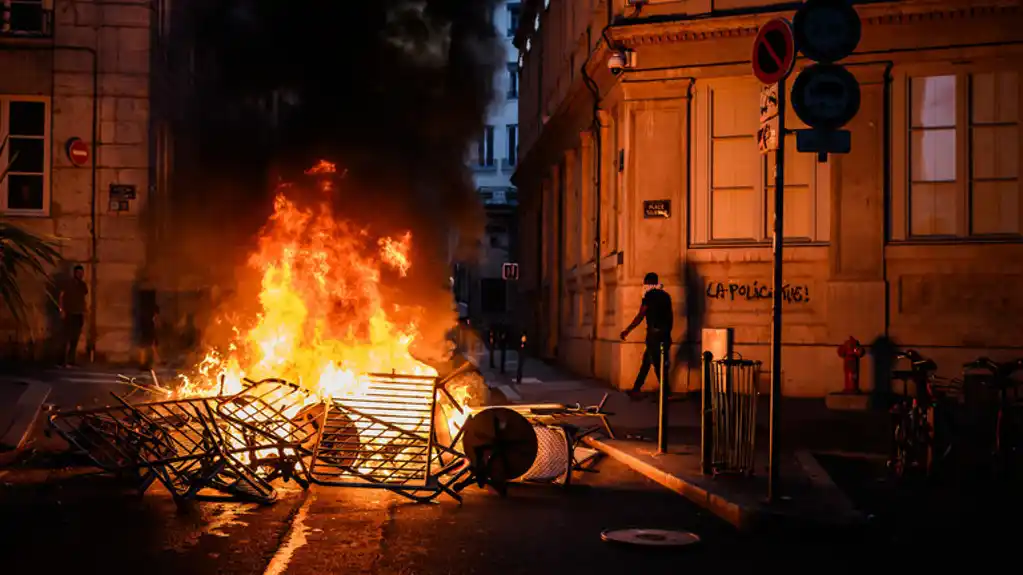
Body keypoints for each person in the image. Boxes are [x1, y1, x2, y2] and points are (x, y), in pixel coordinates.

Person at [620, 272, 673, 400]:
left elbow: (640, 315)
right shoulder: (666, 296)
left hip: (653, 335)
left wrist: (627, 330)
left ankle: (665, 393)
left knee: (656, 364)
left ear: (648, 283)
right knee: (647, 362)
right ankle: (636, 389)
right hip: (664, 334)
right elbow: (670, 316)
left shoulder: (648, 296)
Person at [58, 265, 88, 367]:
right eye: (78, 273)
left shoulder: (83, 285)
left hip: (78, 314)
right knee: (65, 337)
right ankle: (62, 360)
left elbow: (84, 298)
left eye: (82, 273)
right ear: (74, 273)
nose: (80, 275)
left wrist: (85, 311)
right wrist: (61, 310)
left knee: (75, 338)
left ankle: (71, 360)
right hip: (69, 313)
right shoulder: (68, 284)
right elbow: (61, 296)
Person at [139, 304, 161, 370]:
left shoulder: (148, 319)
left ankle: (143, 364)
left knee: (144, 350)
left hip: (145, 335)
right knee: (149, 350)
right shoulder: (150, 320)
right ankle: (145, 364)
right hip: (147, 335)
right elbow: (152, 328)